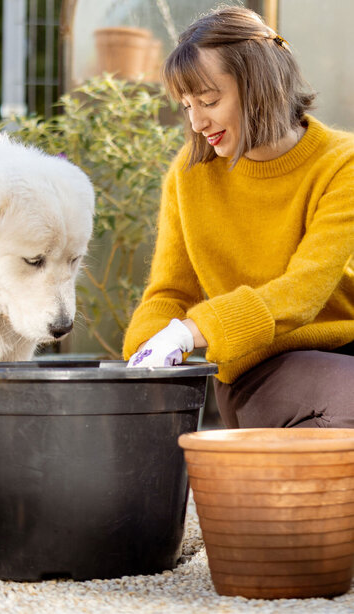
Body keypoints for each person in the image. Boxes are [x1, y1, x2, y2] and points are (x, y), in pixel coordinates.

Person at [123, 6, 354, 429]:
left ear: (258, 85)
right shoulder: (190, 175)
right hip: (260, 370)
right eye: (188, 105)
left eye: (209, 101)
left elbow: (303, 292)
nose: (197, 122)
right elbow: (169, 293)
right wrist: (149, 348)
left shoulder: (342, 164)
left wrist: (191, 331)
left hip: (343, 354)